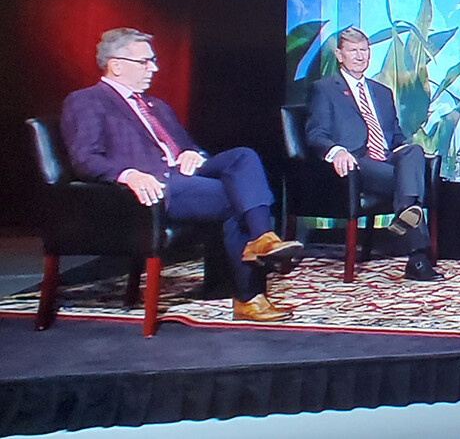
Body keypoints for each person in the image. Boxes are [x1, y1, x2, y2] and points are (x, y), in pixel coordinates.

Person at [60, 27, 302, 322]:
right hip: (153, 186)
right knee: (239, 200)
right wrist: (127, 174)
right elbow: (84, 158)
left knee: (244, 156)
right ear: (116, 65)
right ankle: (250, 295)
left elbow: (187, 146)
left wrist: (193, 154)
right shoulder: (86, 100)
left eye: (153, 60)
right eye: (145, 62)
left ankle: (263, 240)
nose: (154, 68)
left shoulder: (156, 106)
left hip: (183, 173)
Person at [305, 28, 443, 281]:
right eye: (353, 51)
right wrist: (337, 152)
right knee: (409, 183)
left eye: (364, 50)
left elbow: (396, 135)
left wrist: (403, 148)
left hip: (387, 158)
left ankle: (406, 214)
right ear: (339, 55)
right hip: (357, 162)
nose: (360, 56)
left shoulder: (382, 92)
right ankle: (418, 257)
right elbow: (316, 133)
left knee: (413, 151)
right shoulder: (325, 89)